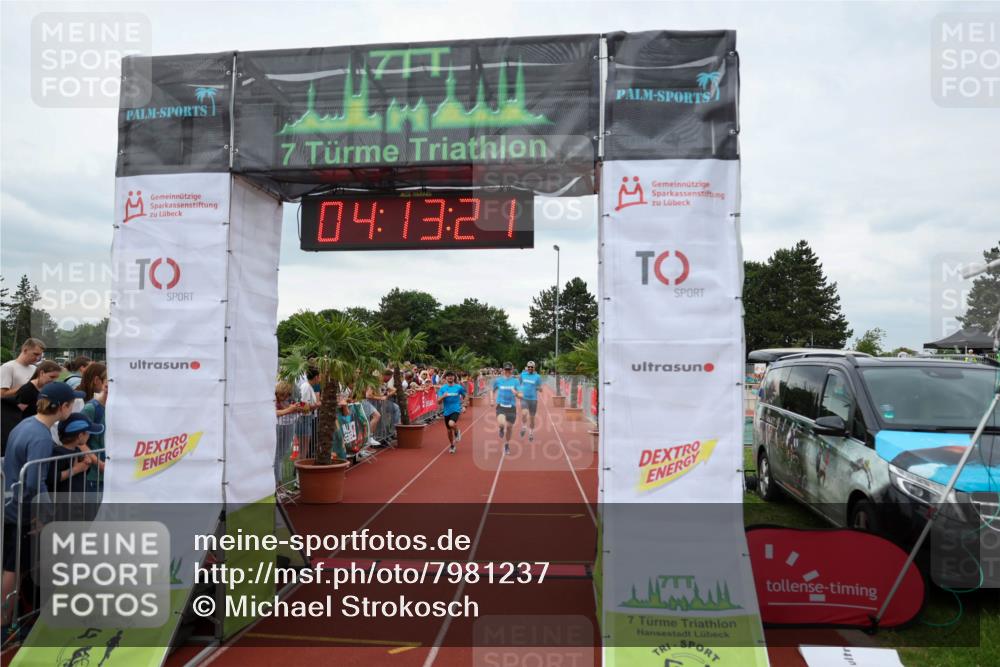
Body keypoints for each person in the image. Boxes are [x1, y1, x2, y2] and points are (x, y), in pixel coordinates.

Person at [2, 382, 81, 631]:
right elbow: (36, 481)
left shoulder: (26, 425)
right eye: (72, 403)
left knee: (16, 566)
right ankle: (4, 622)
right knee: (14, 569)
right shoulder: (40, 437)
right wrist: (45, 514)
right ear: (63, 407)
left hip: (13, 504)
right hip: (23, 510)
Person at [80, 363, 108, 492]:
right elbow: (80, 442)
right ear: (102, 384)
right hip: (95, 476)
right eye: (107, 385)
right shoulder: (91, 408)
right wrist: (99, 464)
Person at [491, 362, 522, 455]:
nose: (507, 371)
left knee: (509, 427)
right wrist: (492, 400)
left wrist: (515, 393)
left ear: (511, 370)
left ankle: (507, 444)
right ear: (503, 370)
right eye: (506, 370)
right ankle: (501, 428)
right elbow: (492, 390)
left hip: (511, 407)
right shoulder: (498, 380)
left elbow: (521, 395)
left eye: (509, 370)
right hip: (501, 406)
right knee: (501, 423)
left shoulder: (516, 381)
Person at [436, 370, 467, 454]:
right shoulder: (443, 388)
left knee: (451, 423)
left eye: (452, 375)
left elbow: (465, 395)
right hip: (446, 411)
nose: (450, 377)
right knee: (449, 431)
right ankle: (452, 445)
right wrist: (443, 396)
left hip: (456, 409)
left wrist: (464, 406)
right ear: (445, 378)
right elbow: (438, 401)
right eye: (448, 376)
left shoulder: (458, 387)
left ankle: (457, 432)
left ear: (454, 377)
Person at [518, 361, 544, 441]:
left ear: (534, 368)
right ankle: (524, 427)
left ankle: (531, 433)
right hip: (524, 398)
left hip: (533, 399)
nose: (530, 368)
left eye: (531, 367)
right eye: (529, 367)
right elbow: (518, 384)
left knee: (532, 418)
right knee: (524, 413)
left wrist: (539, 388)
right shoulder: (523, 375)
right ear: (527, 367)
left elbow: (541, 389)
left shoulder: (537, 377)